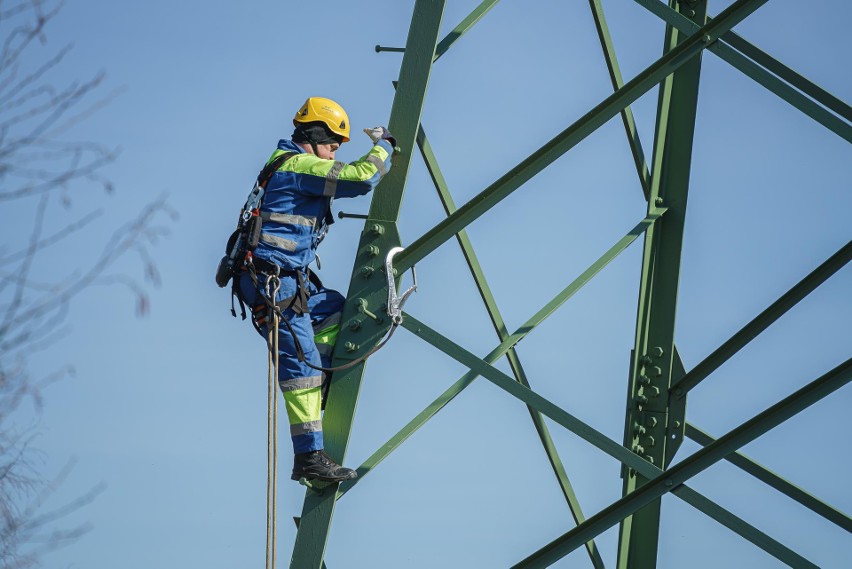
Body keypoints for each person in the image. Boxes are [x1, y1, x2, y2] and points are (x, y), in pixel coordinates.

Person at [237, 97, 396, 482]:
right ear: (315, 134)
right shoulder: (298, 165)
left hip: (288, 281)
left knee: (335, 310)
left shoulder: (287, 164)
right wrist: (384, 146)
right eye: (333, 141)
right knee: (300, 365)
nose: (337, 149)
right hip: (273, 283)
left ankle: (320, 380)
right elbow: (361, 178)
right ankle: (309, 457)